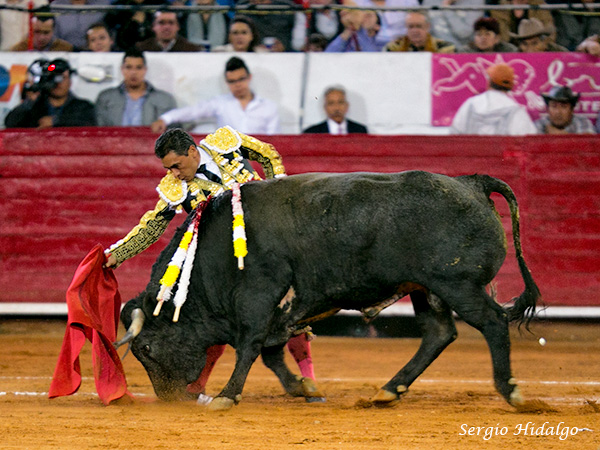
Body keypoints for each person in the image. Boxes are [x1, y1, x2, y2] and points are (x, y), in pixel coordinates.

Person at [104, 126, 318, 395]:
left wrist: (279, 195)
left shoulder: (224, 143)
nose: (174, 173)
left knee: (290, 308)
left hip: (271, 245)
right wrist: (117, 254)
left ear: (192, 152)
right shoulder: (174, 187)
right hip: (227, 265)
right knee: (216, 320)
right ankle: (198, 385)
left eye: (177, 166)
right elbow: (152, 226)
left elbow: (267, 155)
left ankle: (309, 378)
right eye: (169, 168)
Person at [151, 57, 280, 134]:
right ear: (226, 83)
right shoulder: (220, 103)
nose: (238, 85)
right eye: (232, 81)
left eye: (241, 79)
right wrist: (165, 119)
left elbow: (274, 140)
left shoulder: (269, 107)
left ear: (249, 78)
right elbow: (193, 111)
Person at [4, 58, 96, 128]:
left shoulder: (82, 106)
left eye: (62, 78)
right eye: (53, 78)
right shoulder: (35, 108)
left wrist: (56, 121)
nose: (57, 82)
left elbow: (89, 121)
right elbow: (10, 123)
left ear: (70, 82)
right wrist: (28, 102)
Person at [95, 49, 177, 126]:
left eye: (138, 68)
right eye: (128, 67)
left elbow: (173, 133)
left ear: (145, 70)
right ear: (122, 69)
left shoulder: (165, 99)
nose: (133, 72)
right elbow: (100, 131)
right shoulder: (106, 98)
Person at [450, 64, 537, 135]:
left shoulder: (470, 104)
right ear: (511, 85)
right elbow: (528, 139)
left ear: (489, 81)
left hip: (471, 155)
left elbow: (454, 133)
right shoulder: (516, 110)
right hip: (502, 156)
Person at [347, 0, 419, 47]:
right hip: (369, 50)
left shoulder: (409, 2)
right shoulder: (354, 3)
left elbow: (420, 25)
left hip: (405, 48)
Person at [303, 86, 368, 134]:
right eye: (331, 103)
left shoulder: (360, 130)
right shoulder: (311, 133)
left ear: (347, 106)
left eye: (340, 102)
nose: (336, 108)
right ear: (325, 107)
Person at [384, 11, 455, 52]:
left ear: (428, 27)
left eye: (419, 26)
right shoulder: (393, 48)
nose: (414, 31)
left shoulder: (445, 47)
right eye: (410, 27)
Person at [490, 0, 555, 45]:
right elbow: (502, 38)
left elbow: (549, 32)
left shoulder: (539, 4)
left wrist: (542, 46)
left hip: (538, 49)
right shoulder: (499, 9)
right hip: (510, 50)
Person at [137, 10, 205, 51]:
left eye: (171, 23)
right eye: (161, 23)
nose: (166, 27)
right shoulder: (141, 49)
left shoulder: (192, 50)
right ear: (153, 27)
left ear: (178, 27)